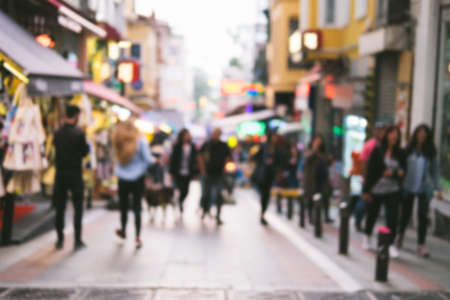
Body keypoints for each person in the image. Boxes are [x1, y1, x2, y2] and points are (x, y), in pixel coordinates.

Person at [397, 124, 442, 257]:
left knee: (422, 217)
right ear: (415, 134)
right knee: (405, 215)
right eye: (419, 132)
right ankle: (399, 238)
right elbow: (401, 165)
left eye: (424, 133)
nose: (421, 135)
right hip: (408, 187)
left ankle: (421, 245)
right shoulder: (408, 149)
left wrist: (438, 188)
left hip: (424, 188)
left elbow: (435, 172)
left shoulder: (430, 153)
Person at [362, 125, 406, 258]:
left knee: (392, 217)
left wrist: (391, 173)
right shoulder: (378, 150)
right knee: (372, 214)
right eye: (392, 133)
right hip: (377, 188)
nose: (394, 136)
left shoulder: (400, 153)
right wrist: (366, 190)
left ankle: (391, 244)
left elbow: (403, 172)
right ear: (386, 135)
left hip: (393, 190)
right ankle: (367, 236)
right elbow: (370, 171)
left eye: (396, 134)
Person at [111, 121, 153, 249]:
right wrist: (143, 168)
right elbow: (148, 160)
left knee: (123, 206)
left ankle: (123, 229)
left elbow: (116, 159)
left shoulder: (118, 140)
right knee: (137, 207)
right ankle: (137, 236)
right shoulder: (141, 141)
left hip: (122, 178)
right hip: (137, 179)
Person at [53, 105, 89, 250]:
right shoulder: (80, 134)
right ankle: (77, 240)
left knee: (60, 208)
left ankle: (60, 239)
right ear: (76, 116)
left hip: (60, 174)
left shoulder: (57, 133)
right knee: (78, 208)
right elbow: (84, 152)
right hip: (75, 174)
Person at [352, 122, 387, 231]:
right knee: (364, 202)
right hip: (369, 180)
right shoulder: (370, 145)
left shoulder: (386, 145)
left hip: (383, 182)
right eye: (379, 130)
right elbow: (362, 162)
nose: (381, 132)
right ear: (375, 131)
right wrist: (365, 177)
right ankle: (358, 221)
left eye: (383, 130)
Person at [198, 128, 231, 226]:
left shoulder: (223, 146)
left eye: (218, 134)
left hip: (219, 173)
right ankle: (205, 210)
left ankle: (218, 215)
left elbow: (228, 157)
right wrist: (203, 169)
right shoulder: (207, 145)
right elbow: (200, 156)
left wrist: (224, 167)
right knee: (206, 194)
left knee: (218, 194)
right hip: (207, 173)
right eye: (215, 133)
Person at [252, 132, 282, 226]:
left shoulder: (277, 149)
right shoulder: (263, 146)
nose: (274, 138)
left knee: (266, 195)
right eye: (273, 136)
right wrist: (264, 162)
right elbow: (255, 157)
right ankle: (262, 212)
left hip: (270, 175)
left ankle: (263, 213)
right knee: (263, 194)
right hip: (262, 175)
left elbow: (280, 161)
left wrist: (275, 167)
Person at [303, 135, 332, 224]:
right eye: (316, 141)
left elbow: (327, 163)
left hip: (323, 179)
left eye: (320, 141)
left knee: (325, 197)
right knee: (312, 198)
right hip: (312, 179)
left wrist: (329, 160)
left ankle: (326, 216)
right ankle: (311, 217)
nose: (318, 142)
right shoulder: (309, 150)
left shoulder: (323, 153)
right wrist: (315, 149)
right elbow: (308, 160)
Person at [169, 129, 198, 214]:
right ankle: (179, 202)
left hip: (188, 172)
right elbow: (173, 160)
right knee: (179, 188)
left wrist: (196, 172)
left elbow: (195, 160)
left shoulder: (192, 146)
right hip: (178, 172)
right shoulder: (177, 147)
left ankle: (181, 200)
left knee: (186, 190)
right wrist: (171, 172)